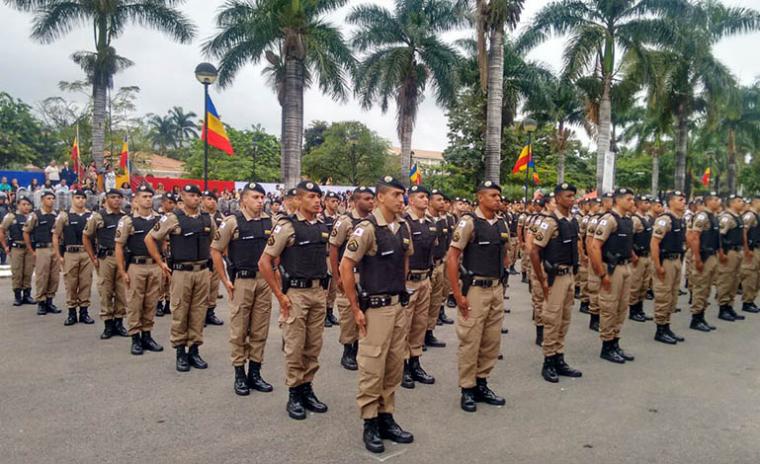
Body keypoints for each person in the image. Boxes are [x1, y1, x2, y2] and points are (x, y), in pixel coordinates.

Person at [340, 176, 414, 454]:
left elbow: (405, 258)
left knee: (394, 365)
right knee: (372, 366)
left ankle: (387, 417)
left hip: (397, 306)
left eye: (402, 195)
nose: (400, 199)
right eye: (396, 194)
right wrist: (356, 308)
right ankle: (369, 421)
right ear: (380, 197)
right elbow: (346, 267)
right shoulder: (367, 229)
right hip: (375, 308)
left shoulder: (403, 226)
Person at [258, 181, 329, 420]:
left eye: (318, 196)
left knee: (313, 346)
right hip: (296, 294)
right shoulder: (287, 227)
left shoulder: (322, 225)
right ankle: (294, 393)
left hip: (318, 292)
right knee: (295, 346)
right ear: (297, 200)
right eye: (311, 196)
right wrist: (279, 295)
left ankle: (307, 388)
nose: (317, 200)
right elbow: (265, 262)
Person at [447, 180, 508, 413]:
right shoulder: (469, 222)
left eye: (498, 196)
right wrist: (457, 294)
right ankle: (467, 388)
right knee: (470, 340)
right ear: (480, 197)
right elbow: (452, 258)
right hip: (475, 289)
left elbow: (505, 254)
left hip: (495, 288)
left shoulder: (501, 223)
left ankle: (482, 383)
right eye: (492, 195)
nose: (497, 199)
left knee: (491, 340)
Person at [210, 182, 274, 396]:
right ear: (244, 199)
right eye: (255, 197)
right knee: (239, 330)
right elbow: (216, 250)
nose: (260, 201)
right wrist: (225, 280)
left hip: (263, 282)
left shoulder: (270, 221)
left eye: (262, 197)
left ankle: (255, 373)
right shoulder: (232, 222)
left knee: (259, 329)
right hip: (242, 281)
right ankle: (239, 374)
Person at [146, 184, 216, 370]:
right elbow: (150, 238)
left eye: (197, 195)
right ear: (182, 196)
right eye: (191, 195)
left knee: (198, 312)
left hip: (201, 271)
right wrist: (160, 262)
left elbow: (215, 241)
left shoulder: (207, 219)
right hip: (181, 272)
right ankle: (180, 352)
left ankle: (194, 350)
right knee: (180, 312)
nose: (195, 198)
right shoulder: (173, 218)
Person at [529, 183, 583, 382]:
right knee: (552, 319)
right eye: (568, 196)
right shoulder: (549, 222)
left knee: (565, 319)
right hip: (554, 277)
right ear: (558, 198)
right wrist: (542, 279)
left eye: (573, 196)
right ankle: (549, 361)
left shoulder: (572, 221)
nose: (572, 199)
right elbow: (534, 251)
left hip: (568, 275)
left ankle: (559, 358)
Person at [328, 186, 375, 371]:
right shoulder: (345, 221)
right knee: (348, 312)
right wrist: (337, 275)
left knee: (366, 311)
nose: (371, 201)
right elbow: (333, 248)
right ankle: (348, 350)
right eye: (366, 199)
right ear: (355, 201)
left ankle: (361, 347)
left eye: (372, 198)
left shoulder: (374, 222)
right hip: (350, 273)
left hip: (368, 274)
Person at [589, 188, 637, 364]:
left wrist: (632, 255)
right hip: (611, 268)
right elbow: (594, 246)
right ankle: (607, 346)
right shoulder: (609, 220)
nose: (632, 202)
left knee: (622, 307)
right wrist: (602, 274)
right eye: (629, 199)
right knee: (609, 307)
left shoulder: (627, 220)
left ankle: (615, 342)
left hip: (625, 267)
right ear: (619, 200)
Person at [115, 184, 163, 355]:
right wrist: (122, 271)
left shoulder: (159, 219)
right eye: (144, 196)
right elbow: (119, 247)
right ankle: (135, 337)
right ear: (135, 200)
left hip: (154, 265)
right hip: (136, 265)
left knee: (151, 302)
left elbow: (164, 242)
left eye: (150, 197)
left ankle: (147, 335)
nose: (148, 199)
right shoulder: (127, 221)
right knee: (135, 302)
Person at [399, 184, 437, 389]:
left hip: (425, 279)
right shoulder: (403, 222)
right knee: (405, 323)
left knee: (420, 323)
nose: (425, 200)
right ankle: (403, 366)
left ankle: (415, 361)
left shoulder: (430, 223)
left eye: (426, 196)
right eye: (421, 196)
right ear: (411, 200)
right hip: (409, 280)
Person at [83, 188, 129, 339]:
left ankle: (119, 322)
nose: (116, 200)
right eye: (113, 197)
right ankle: (108, 324)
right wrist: (93, 258)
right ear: (107, 199)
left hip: (121, 258)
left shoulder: (125, 217)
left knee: (122, 292)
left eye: (119, 197)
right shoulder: (98, 216)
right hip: (106, 258)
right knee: (106, 291)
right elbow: (86, 237)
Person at [52, 189, 94, 326]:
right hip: (70, 253)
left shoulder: (91, 216)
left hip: (86, 253)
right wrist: (59, 255)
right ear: (72, 199)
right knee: (71, 283)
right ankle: (71, 313)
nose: (80, 200)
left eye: (83, 197)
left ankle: (84, 312)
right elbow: (56, 235)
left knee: (85, 282)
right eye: (77, 197)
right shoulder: (64, 216)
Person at [650, 190, 687, 344]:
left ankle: (667, 326)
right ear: (671, 202)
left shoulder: (680, 219)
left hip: (676, 260)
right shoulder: (665, 220)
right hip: (666, 261)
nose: (683, 202)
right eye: (680, 199)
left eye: (684, 199)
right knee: (663, 295)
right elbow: (654, 243)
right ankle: (660, 329)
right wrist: (658, 266)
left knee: (672, 295)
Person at [686, 191, 721, 332]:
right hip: (704, 256)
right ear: (708, 201)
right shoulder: (702, 216)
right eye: (715, 199)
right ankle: (696, 318)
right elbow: (694, 237)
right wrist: (697, 258)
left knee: (706, 288)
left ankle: (701, 316)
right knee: (700, 287)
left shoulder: (713, 216)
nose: (718, 201)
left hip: (712, 255)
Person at [23, 191, 62, 315]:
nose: (51, 201)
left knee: (54, 276)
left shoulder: (58, 215)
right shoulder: (35, 215)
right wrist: (31, 250)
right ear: (42, 200)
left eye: (52, 198)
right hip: (42, 249)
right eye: (48, 198)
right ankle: (41, 302)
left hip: (54, 249)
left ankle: (50, 301)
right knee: (42, 276)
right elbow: (26, 232)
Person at [716, 194, 747, 321]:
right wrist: (721, 253)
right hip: (729, 252)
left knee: (735, 280)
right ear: (731, 203)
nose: (742, 203)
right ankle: (723, 308)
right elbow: (720, 236)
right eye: (739, 201)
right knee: (726, 279)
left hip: (738, 251)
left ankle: (730, 306)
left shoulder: (738, 216)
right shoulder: (726, 217)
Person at [0, 195, 36, 305]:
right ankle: (17, 296)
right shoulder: (11, 217)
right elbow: (2, 231)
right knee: (17, 272)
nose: (26, 207)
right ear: (18, 205)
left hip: (29, 248)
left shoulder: (32, 217)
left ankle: (27, 295)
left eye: (28, 204)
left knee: (28, 272)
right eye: (23, 204)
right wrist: (5, 246)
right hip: (17, 248)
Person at [428, 189, 454, 328]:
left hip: (441, 261)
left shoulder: (444, 219)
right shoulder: (427, 220)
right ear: (430, 201)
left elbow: (447, 240)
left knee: (440, 293)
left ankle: (432, 325)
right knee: (428, 299)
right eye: (439, 200)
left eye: (443, 200)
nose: (442, 203)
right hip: (430, 264)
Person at [628, 195, 654, 322]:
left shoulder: (647, 218)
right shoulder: (635, 219)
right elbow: (628, 238)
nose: (648, 204)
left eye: (648, 202)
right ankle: (633, 311)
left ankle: (640, 309)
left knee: (644, 284)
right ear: (638, 204)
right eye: (645, 202)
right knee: (635, 284)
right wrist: (632, 255)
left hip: (646, 255)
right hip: (637, 257)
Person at [202, 190, 225, 326]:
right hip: (203, 256)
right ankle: (201, 313)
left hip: (216, 255)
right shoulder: (200, 216)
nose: (212, 201)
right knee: (203, 286)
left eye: (214, 199)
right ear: (203, 200)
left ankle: (210, 312)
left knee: (214, 286)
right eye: (209, 199)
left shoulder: (220, 216)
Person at [321, 191, 341, 328]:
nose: (335, 204)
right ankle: (322, 314)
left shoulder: (340, 218)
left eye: (336, 201)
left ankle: (330, 311)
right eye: (332, 201)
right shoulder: (321, 218)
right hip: (325, 255)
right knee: (325, 288)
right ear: (326, 201)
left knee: (334, 287)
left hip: (336, 256)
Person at [740, 195, 760, 313]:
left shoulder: (756, 215)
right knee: (750, 275)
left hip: (757, 249)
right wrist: (746, 249)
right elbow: (744, 232)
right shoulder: (750, 215)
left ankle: (751, 300)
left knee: (756, 276)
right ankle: (747, 302)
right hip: (751, 250)